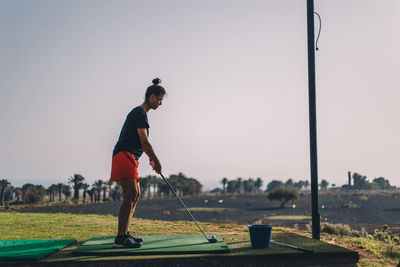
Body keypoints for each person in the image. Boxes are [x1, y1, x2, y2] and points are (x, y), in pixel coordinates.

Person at [109, 78, 165, 248]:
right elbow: (144, 142)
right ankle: (120, 238)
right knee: (131, 195)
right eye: (160, 99)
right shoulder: (139, 113)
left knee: (136, 195)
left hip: (130, 157)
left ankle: (125, 233)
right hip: (124, 155)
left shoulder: (142, 114)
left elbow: (141, 144)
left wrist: (149, 157)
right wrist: (156, 160)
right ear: (152, 97)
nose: (161, 104)